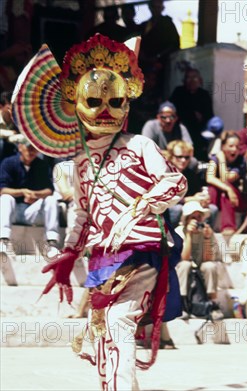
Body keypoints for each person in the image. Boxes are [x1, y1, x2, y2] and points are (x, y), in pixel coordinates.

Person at [12, 34, 187, 389]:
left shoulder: (139, 144)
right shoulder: (79, 162)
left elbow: (175, 183)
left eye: (115, 101)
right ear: (76, 104)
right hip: (101, 258)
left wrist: (139, 208)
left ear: (127, 103)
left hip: (139, 252)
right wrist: (67, 253)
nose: (105, 110)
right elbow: (81, 213)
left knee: (120, 322)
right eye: (94, 101)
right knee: (104, 329)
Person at [0, 134, 60, 260]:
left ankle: (52, 243)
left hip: (32, 211)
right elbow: (2, 189)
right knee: (6, 198)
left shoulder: (42, 165)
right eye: (29, 148)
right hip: (14, 210)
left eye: (35, 148)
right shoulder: (9, 163)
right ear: (20, 147)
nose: (32, 151)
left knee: (51, 200)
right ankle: (3, 241)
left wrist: (35, 195)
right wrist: (23, 191)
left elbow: (49, 190)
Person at [175, 200, 227, 320]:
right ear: (186, 219)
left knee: (210, 266)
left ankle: (213, 304)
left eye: (199, 216)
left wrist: (207, 238)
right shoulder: (179, 231)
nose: (198, 220)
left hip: (201, 266)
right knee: (184, 265)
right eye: (193, 217)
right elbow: (184, 257)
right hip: (183, 269)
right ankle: (182, 304)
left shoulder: (207, 231)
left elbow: (208, 259)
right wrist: (188, 234)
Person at [206, 131, 247, 235]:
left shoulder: (241, 161)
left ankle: (228, 227)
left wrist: (222, 161)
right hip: (220, 196)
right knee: (212, 188)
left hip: (236, 199)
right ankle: (208, 221)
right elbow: (209, 178)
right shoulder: (215, 158)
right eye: (231, 146)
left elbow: (227, 179)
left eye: (238, 147)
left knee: (226, 192)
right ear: (223, 147)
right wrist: (227, 189)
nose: (234, 150)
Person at [169, 67, 214, 160]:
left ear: (200, 80)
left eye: (194, 77)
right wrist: (193, 114)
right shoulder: (179, 92)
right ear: (184, 80)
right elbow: (174, 110)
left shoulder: (204, 94)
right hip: (181, 127)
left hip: (199, 129)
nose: (191, 80)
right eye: (188, 77)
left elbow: (209, 115)